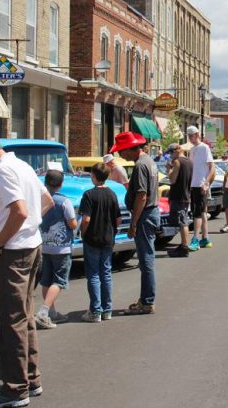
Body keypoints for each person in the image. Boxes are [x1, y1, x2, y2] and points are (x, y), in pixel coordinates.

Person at [0, 127, 54, 408]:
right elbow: (46, 201)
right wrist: (28, 229)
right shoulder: (22, 165)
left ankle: (15, 389)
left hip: (13, 252)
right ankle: (30, 378)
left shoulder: (3, 171)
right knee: (24, 316)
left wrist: (0, 241)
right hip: (32, 246)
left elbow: (20, 211)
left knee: (9, 321)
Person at [113, 132, 161, 315]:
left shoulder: (141, 165)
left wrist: (133, 224)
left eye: (121, 152)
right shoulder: (148, 160)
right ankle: (145, 299)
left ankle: (147, 302)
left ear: (128, 149)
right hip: (150, 213)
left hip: (145, 215)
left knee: (146, 259)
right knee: (146, 258)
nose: (120, 156)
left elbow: (142, 196)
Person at [79, 164, 122, 323]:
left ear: (94, 176)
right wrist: (114, 232)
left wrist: (83, 232)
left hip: (92, 238)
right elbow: (118, 218)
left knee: (94, 274)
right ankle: (107, 309)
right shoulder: (112, 194)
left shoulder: (89, 195)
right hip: (108, 238)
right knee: (106, 272)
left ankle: (95, 310)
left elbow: (86, 219)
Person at [35, 170, 77, 329]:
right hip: (62, 247)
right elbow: (72, 223)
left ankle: (52, 312)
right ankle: (44, 311)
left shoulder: (40, 199)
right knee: (59, 280)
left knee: (46, 279)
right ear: (61, 184)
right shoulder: (64, 201)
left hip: (44, 245)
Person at [187, 126, 215, 250]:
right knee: (202, 212)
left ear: (197, 134)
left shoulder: (204, 147)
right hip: (194, 185)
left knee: (197, 213)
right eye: (188, 135)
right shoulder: (192, 149)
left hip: (200, 185)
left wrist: (206, 183)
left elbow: (212, 167)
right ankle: (205, 238)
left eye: (191, 135)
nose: (190, 137)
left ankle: (195, 240)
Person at [166, 143, 193, 257]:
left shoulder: (178, 162)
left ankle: (184, 247)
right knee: (183, 220)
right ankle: (183, 245)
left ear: (177, 150)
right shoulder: (190, 162)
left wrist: (169, 169)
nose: (170, 155)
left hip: (179, 195)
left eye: (171, 152)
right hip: (186, 194)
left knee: (182, 222)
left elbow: (172, 180)